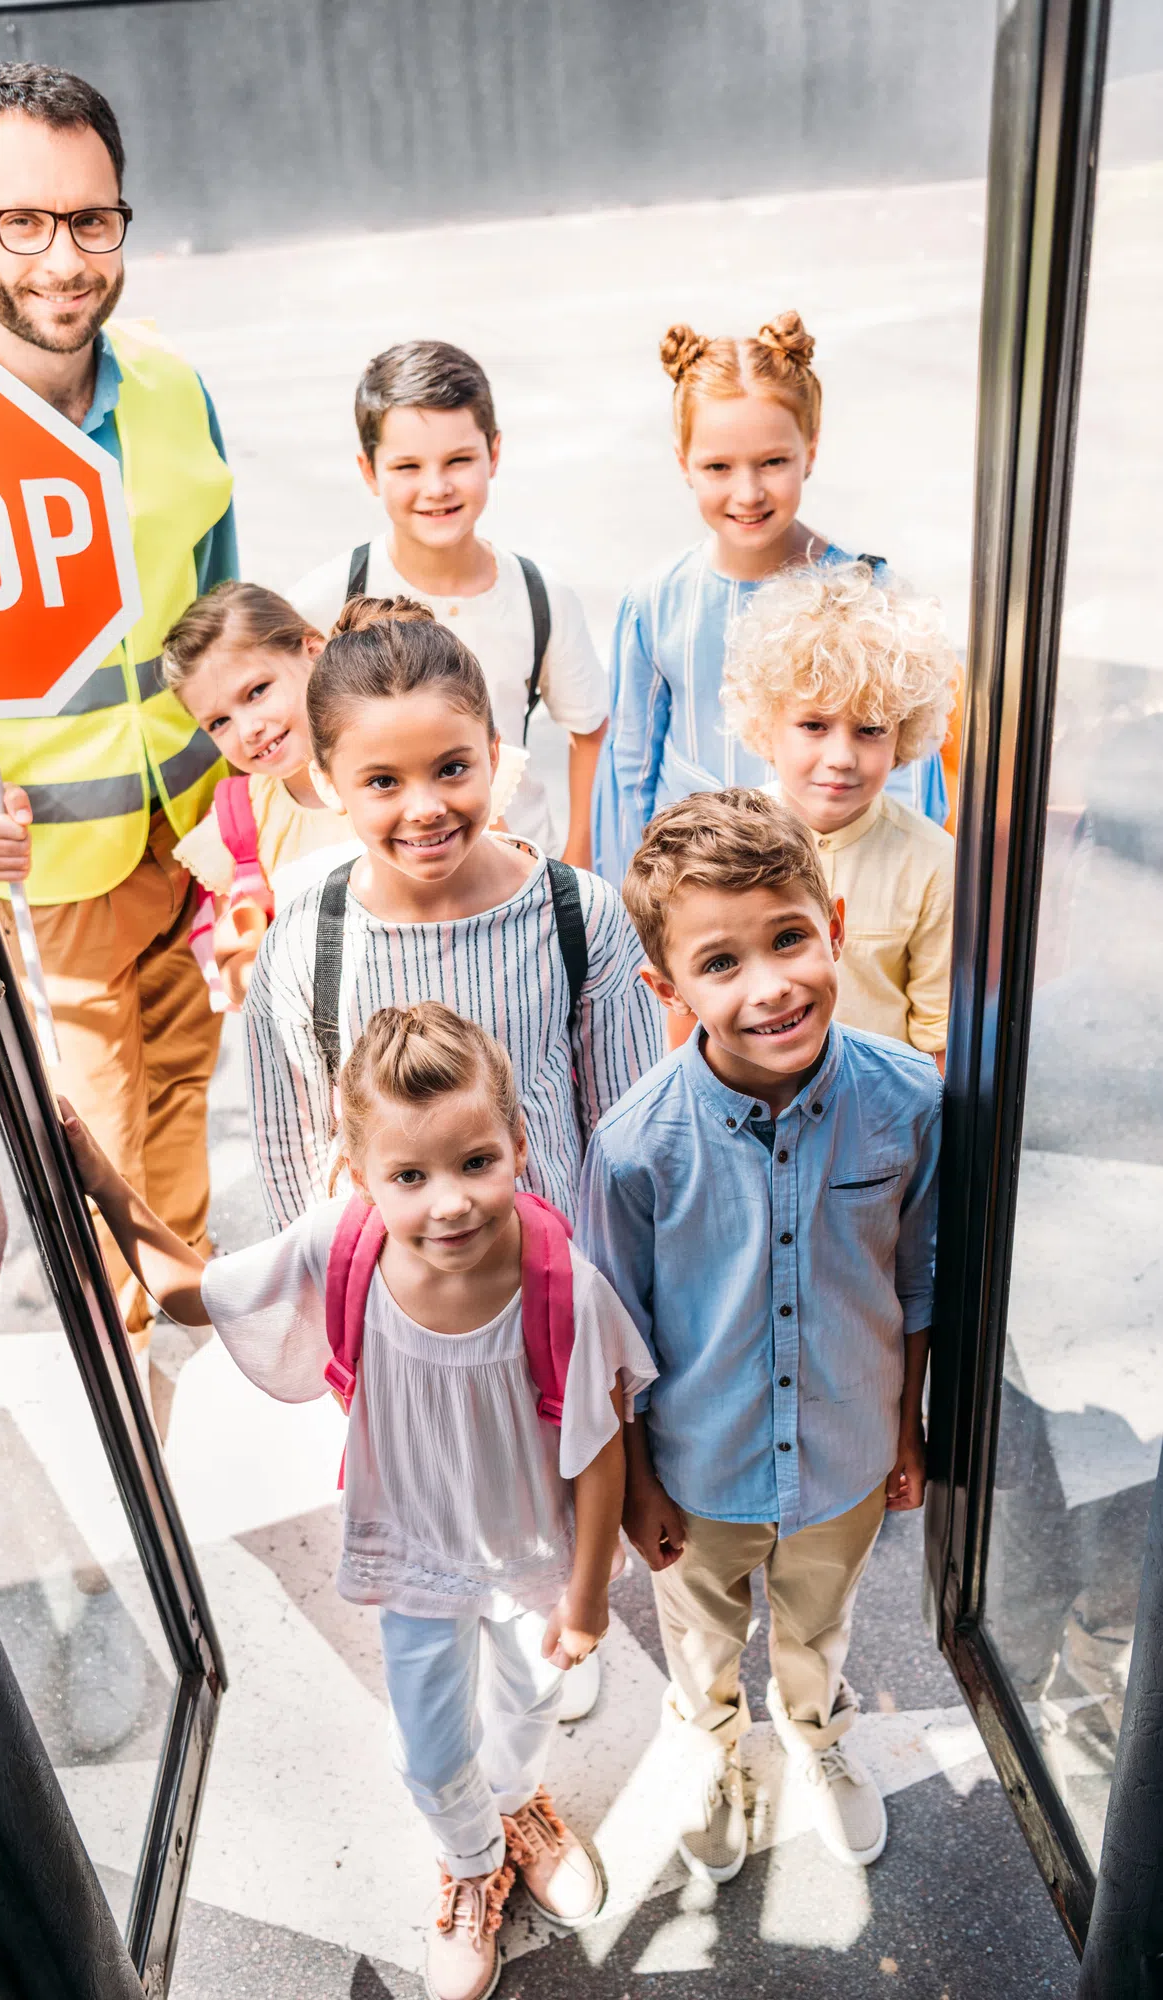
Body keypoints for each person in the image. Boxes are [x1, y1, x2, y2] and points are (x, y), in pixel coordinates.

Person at [61, 1003, 656, 2000]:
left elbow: (599, 1450)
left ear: (517, 1142)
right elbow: (188, 1290)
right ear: (359, 1173)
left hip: (531, 1548)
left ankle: (516, 1803)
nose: (450, 1203)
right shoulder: (341, 1243)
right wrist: (102, 1181)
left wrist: (590, 1593)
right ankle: (469, 1862)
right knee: (428, 1746)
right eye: (409, 1176)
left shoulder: (561, 1280)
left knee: (530, 1698)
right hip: (415, 1548)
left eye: (476, 1161)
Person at [0, 63, 238, 1357]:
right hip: (43, 870)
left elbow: (219, 609)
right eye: (25, 223)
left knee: (183, 1091)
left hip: (195, 840)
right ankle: (129, 1348)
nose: (63, 258)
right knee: (95, 1123)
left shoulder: (171, 387)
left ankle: (180, 1300)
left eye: (91, 220)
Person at [576, 789, 940, 1881]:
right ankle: (717, 1747)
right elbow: (616, 1338)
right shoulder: (635, 1147)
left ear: (833, 928)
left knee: (820, 1619)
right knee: (698, 1635)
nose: (771, 984)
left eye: (788, 937)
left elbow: (919, 1281)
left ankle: (815, 1734)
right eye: (720, 962)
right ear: (667, 987)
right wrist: (637, 1482)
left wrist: (908, 1427)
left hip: (847, 1451)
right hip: (700, 1469)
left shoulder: (908, 1098)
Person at [245, 597, 661, 1230]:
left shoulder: (578, 915)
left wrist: (621, 1297)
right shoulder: (302, 945)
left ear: (494, 755)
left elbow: (630, 1133)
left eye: (452, 769)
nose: (426, 807)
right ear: (328, 783)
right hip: (381, 1306)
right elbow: (289, 1158)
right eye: (383, 781)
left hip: (556, 1291)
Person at [591, 314, 949, 895]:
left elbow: (910, 773)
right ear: (683, 462)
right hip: (696, 895)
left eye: (773, 462)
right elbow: (630, 772)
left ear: (810, 449)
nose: (748, 492)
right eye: (718, 467)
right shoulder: (654, 603)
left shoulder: (870, 592)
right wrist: (627, 910)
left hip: (845, 897)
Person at [290, 340, 609, 866]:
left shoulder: (540, 597)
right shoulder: (325, 600)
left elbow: (590, 729)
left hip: (521, 871)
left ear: (495, 454)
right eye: (407, 467)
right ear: (368, 471)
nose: (436, 487)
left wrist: (578, 857)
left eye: (459, 460)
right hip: (392, 871)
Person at [721, 561, 958, 1060]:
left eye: (870, 729)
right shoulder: (721, 841)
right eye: (813, 725)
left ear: (904, 735)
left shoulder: (935, 861)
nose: (841, 758)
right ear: (766, 724)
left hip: (878, 1113)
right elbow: (691, 1006)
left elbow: (938, 1039)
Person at [162, 584, 355, 1009]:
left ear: (313, 650)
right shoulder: (241, 821)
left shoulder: (404, 758)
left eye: (256, 691)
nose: (248, 728)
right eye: (219, 723)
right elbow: (233, 967)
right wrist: (260, 972)